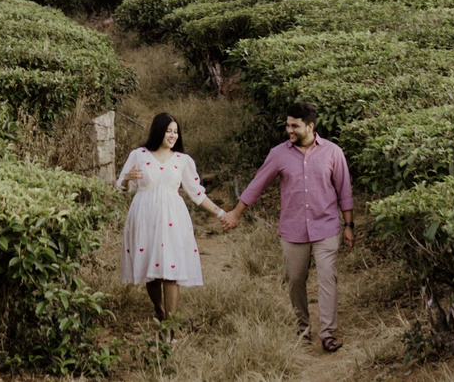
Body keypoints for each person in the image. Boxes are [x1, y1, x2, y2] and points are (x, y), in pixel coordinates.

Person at [229, 100, 357, 351]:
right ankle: (303, 329)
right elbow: (258, 184)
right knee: (295, 280)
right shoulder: (279, 154)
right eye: (287, 125)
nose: (289, 130)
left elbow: (345, 191)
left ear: (310, 126)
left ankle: (328, 333)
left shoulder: (333, 152)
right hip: (293, 230)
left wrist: (349, 225)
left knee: (327, 278)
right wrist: (236, 213)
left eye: (294, 126)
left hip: (327, 227)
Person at [115, 111, 232, 332]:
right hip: (144, 215)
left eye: (176, 131)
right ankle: (159, 308)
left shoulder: (182, 160)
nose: (172, 135)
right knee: (151, 270)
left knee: (171, 269)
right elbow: (122, 188)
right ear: (158, 130)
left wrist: (221, 214)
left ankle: (171, 325)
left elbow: (197, 194)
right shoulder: (138, 155)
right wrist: (126, 180)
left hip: (172, 217)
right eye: (168, 130)